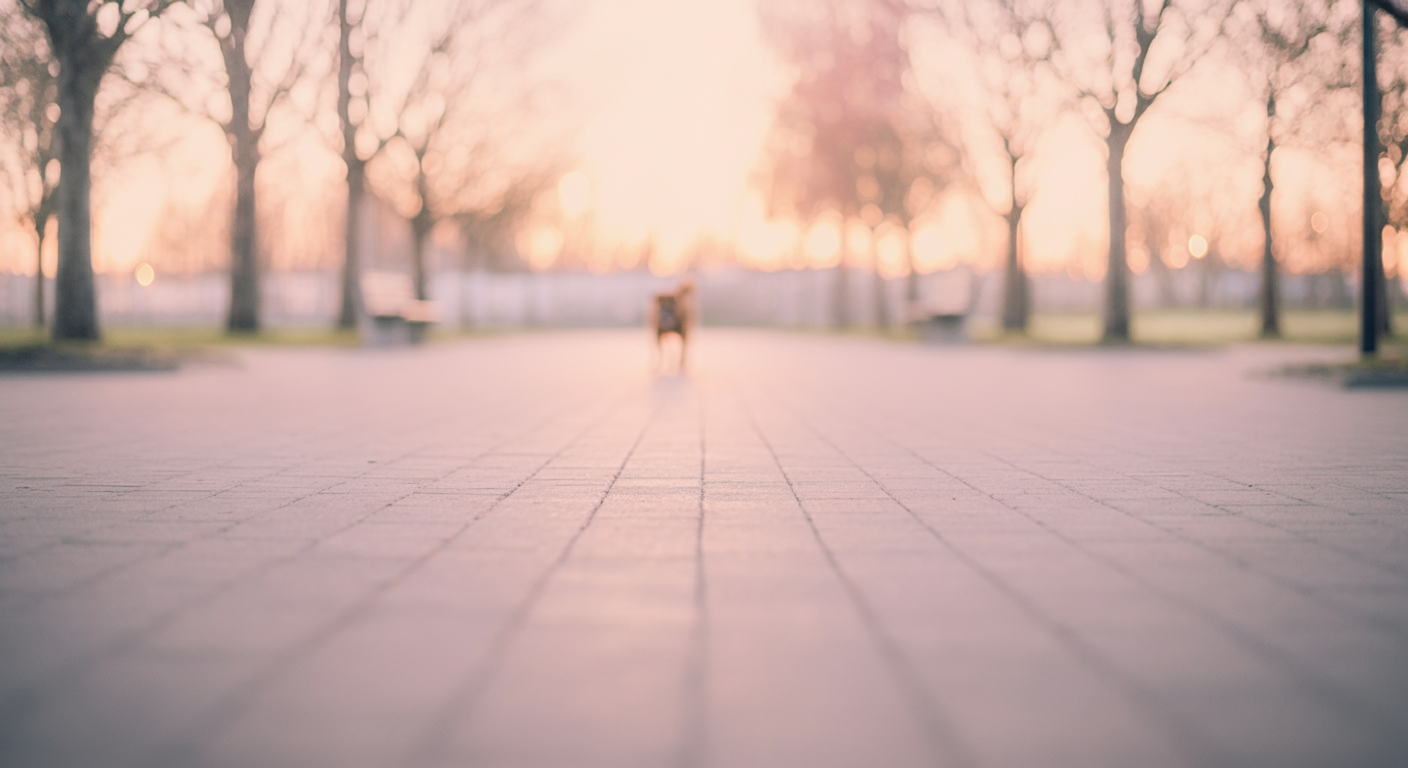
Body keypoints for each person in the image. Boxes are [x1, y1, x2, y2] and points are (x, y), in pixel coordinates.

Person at [651, 281, 694, 372]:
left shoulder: (678, 306)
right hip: (671, 323)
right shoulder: (675, 303)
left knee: (682, 337)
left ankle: (681, 362)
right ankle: (678, 362)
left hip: (674, 323)